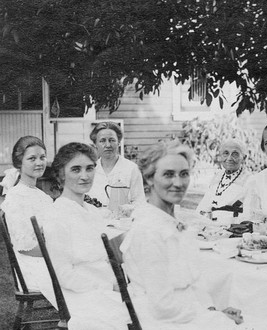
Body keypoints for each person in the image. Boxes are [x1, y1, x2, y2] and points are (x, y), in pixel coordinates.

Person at [120, 140, 244, 329]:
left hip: (183, 313)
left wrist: (212, 311)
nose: (178, 183)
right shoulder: (148, 230)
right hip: (161, 322)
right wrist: (211, 316)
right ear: (150, 178)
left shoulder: (171, 221)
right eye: (168, 174)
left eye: (184, 174)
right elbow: (161, 306)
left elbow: (192, 280)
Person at [42, 142, 129, 329]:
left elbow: (110, 253)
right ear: (61, 174)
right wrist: (109, 286)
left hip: (104, 287)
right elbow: (64, 275)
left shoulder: (90, 210)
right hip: (83, 296)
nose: (84, 176)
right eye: (76, 169)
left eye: (89, 168)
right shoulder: (57, 215)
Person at [1, 136, 54, 302]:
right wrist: (58, 251)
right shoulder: (16, 198)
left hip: (45, 259)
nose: (39, 163)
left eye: (42, 157)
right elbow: (25, 247)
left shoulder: (42, 196)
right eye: (32, 158)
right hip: (33, 268)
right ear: (19, 162)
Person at [87, 121, 146, 209]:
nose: (108, 145)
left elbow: (140, 201)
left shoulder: (131, 168)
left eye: (112, 140)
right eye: (102, 141)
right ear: (95, 144)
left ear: (118, 142)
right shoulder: (90, 170)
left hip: (123, 221)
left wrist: (127, 210)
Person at [196, 138, 252, 226]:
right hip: (211, 229)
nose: (229, 158)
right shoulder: (217, 177)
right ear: (220, 156)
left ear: (244, 158)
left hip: (235, 230)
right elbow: (203, 207)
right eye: (226, 153)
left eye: (235, 154)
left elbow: (249, 216)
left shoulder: (250, 180)